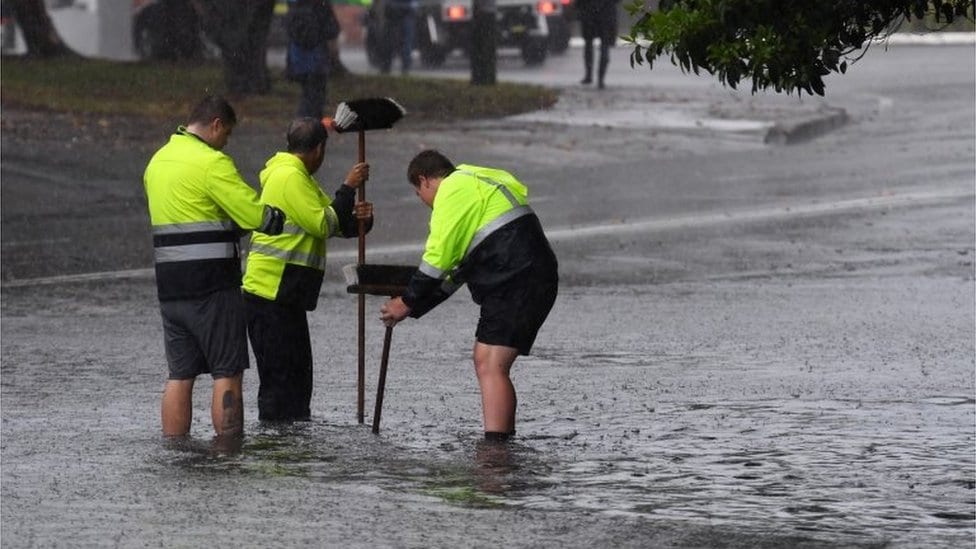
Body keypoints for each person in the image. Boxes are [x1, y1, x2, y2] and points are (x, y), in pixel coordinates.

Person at [379, 150, 559, 442]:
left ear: (425, 180)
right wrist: (412, 308)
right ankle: (502, 441)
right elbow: (453, 275)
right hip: (530, 273)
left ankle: (496, 450)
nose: (423, 202)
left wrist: (405, 301)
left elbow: (436, 260)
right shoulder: (477, 181)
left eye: (417, 193)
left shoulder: (451, 192)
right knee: (488, 359)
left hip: (514, 276)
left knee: (490, 362)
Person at [143, 95, 286, 438]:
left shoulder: (157, 162)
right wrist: (274, 218)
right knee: (227, 370)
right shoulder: (211, 163)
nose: (227, 142)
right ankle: (228, 449)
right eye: (228, 134)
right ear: (217, 124)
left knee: (180, 373)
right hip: (212, 287)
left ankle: (175, 448)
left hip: (170, 286)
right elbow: (252, 214)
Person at [243, 117, 374, 421]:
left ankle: (292, 444)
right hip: (270, 293)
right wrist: (348, 186)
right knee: (281, 381)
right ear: (318, 149)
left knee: (298, 379)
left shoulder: (299, 177)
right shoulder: (289, 177)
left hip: (287, 295)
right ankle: (276, 447)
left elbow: (335, 221)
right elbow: (323, 224)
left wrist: (362, 221)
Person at [286, 0, 342, 118]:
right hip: (317, 57)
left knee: (307, 92)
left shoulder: (294, 4)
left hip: (298, 58)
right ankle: (310, 123)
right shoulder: (321, 5)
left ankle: (304, 120)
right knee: (316, 94)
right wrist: (333, 52)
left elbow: (290, 30)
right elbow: (331, 29)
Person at [577, 0, 621, 89]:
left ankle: (589, 76)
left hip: (589, 12)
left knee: (589, 45)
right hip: (606, 13)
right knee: (604, 46)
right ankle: (600, 79)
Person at [379, 0, 417, 75]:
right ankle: (405, 68)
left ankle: (386, 67)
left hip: (392, 10)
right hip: (406, 11)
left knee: (388, 41)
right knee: (405, 42)